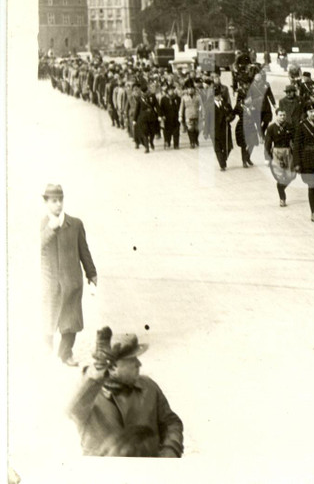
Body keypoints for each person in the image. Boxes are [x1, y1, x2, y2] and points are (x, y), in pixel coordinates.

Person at [68, 327, 184, 457]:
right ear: (112, 367)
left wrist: (171, 449)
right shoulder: (89, 395)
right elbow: (74, 409)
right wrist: (98, 369)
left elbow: (171, 422)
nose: (139, 364)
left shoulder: (148, 387)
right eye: (132, 360)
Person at [40, 184, 97, 366]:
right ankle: (46, 351)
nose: (58, 204)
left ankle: (66, 353)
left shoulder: (75, 224)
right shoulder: (42, 225)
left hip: (71, 281)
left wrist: (91, 272)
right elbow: (37, 247)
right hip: (50, 282)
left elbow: (84, 250)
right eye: (53, 201)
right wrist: (51, 228)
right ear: (46, 202)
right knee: (48, 318)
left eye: (60, 200)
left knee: (70, 320)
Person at [264, 108, 296, 207]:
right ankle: (282, 198)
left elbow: (295, 141)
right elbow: (267, 144)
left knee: (292, 175)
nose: (282, 117)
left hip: (288, 152)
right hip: (277, 153)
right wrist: (267, 158)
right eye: (280, 115)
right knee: (280, 177)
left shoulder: (290, 127)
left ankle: (281, 188)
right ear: (276, 116)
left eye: (284, 115)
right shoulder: (271, 128)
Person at [210, 86, 235, 171]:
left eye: (219, 94)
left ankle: (223, 160)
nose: (218, 97)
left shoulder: (226, 104)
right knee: (218, 149)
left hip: (226, 130)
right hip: (215, 130)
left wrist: (230, 117)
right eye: (216, 95)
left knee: (229, 147)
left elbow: (232, 113)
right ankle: (222, 164)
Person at [180, 83, 201, 148]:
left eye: (192, 89)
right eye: (189, 89)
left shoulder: (198, 97)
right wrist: (180, 116)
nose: (190, 90)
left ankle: (196, 139)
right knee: (190, 128)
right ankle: (192, 142)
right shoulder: (184, 97)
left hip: (197, 114)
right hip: (188, 115)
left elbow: (201, 106)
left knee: (197, 129)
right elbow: (181, 107)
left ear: (194, 89)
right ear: (187, 90)